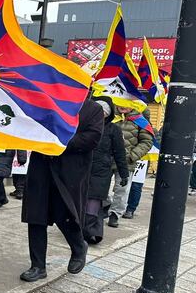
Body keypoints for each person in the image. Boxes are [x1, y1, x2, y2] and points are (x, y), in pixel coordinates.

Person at [20, 98, 103, 282]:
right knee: (36, 216)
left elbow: (92, 138)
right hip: (41, 167)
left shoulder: (93, 109)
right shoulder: (48, 102)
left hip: (70, 172)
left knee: (65, 214)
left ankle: (78, 247)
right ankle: (38, 266)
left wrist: (59, 142)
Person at [83, 97, 129, 244]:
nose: (100, 114)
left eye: (103, 112)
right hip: (82, 169)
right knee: (80, 201)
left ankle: (91, 233)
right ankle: (79, 231)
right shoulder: (84, 125)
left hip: (101, 172)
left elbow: (120, 153)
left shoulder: (113, 129)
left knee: (93, 203)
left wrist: (124, 174)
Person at [107, 106, 154, 227]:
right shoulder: (110, 116)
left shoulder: (140, 120)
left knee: (122, 189)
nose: (123, 106)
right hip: (106, 159)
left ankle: (115, 214)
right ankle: (103, 207)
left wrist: (132, 156)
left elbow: (147, 142)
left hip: (126, 161)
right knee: (100, 186)